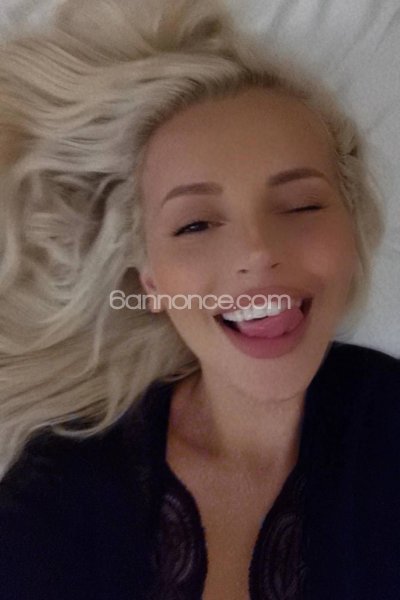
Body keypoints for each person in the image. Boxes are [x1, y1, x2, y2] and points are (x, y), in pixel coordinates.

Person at [0, 0, 399, 598]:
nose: (257, 251)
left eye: (301, 205)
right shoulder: (61, 486)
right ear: (152, 285)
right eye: (195, 225)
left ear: (352, 230)